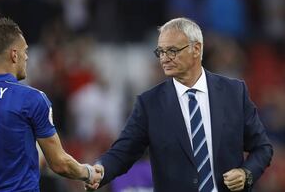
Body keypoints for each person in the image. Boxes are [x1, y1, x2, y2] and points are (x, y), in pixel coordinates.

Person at [85, 17, 273, 192]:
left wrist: (246, 174)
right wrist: (100, 170)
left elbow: (262, 148)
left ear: (196, 49)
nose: (164, 58)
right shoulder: (149, 103)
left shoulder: (234, 92)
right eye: (161, 51)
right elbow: (122, 153)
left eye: (172, 51)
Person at [0, 17, 101, 192]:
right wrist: (88, 172)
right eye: (25, 51)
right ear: (14, 54)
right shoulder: (32, 99)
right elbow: (59, 163)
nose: (27, 57)